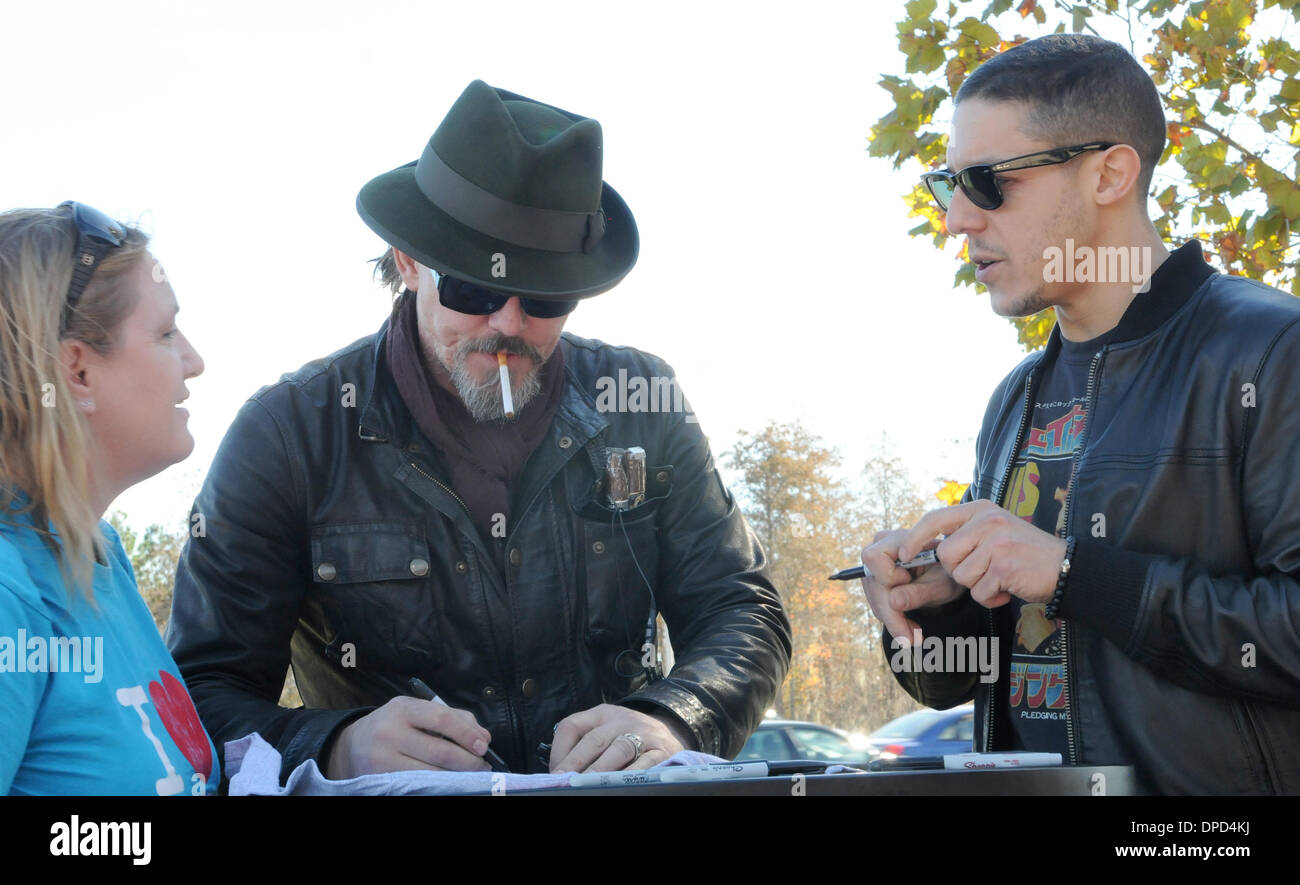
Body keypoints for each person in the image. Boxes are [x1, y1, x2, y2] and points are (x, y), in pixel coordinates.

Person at [167, 80, 792, 782]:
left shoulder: (643, 404)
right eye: (473, 289)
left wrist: (672, 715)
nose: (509, 324)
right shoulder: (291, 434)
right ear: (407, 262)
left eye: (548, 296)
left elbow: (743, 611)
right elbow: (195, 695)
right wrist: (335, 743)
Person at [860, 34, 1300, 794]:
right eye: (950, 184)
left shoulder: (1268, 352)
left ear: (1110, 173)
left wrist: (1071, 573)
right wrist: (929, 610)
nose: (959, 218)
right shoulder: (1015, 397)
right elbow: (968, 681)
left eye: (989, 181)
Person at [0, 202, 215, 795]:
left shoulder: (99, 552)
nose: (194, 363)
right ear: (76, 373)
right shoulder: (9, 593)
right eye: (166, 333)